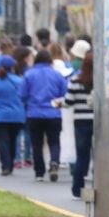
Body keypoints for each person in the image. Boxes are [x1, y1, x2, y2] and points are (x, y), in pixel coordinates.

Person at [18, 49, 67, 182]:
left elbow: (22, 94)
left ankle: (39, 172)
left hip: (34, 113)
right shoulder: (57, 75)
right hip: (54, 113)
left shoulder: (29, 75)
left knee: (37, 143)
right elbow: (65, 93)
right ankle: (54, 162)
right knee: (54, 141)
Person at [0, 55, 25, 176]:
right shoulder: (20, 81)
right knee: (13, 140)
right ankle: (11, 162)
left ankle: (5, 165)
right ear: (13, 67)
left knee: (3, 140)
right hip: (17, 116)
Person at [64, 51, 94, 199]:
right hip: (98, 123)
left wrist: (59, 103)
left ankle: (77, 187)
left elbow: (68, 101)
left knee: (81, 156)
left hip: (81, 122)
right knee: (98, 156)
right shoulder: (101, 82)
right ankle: (97, 185)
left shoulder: (76, 80)